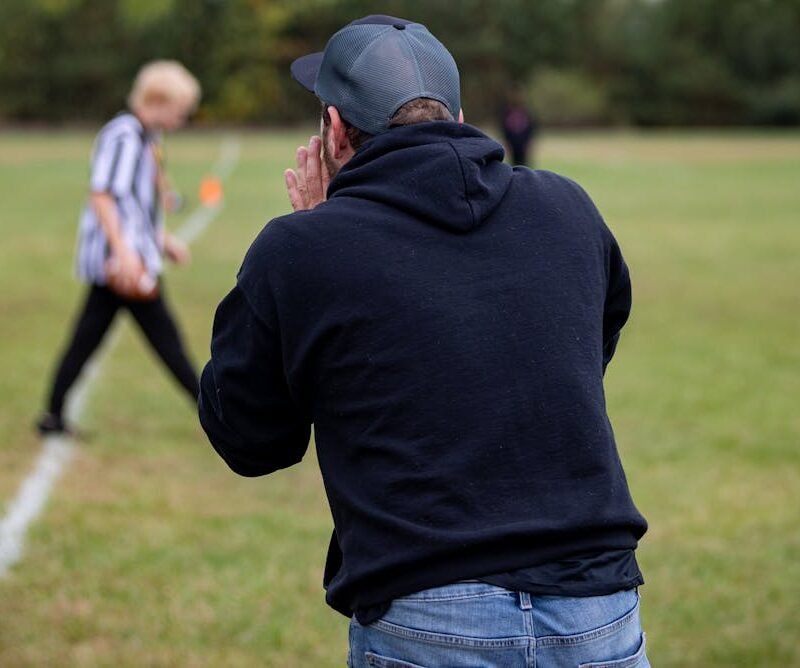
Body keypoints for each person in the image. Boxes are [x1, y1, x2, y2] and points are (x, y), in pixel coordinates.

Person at [199, 15, 649, 668]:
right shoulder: (567, 206)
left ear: (332, 129)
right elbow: (588, 348)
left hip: (427, 612)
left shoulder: (300, 248)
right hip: (599, 610)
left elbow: (250, 439)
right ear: (459, 116)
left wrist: (315, 239)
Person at [36, 60, 201, 436]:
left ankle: (52, 415)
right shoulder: (124, 136)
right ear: (159, 100)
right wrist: (126, 254)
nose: (183, 116)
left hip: (129, 256)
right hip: (121, 264)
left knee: (88, 339)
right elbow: (104, 196)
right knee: (167, 341)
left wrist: (162, 240)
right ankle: (215, 412)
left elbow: (134, 205)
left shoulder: (147, 139)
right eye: (180, 108)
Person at [501, 86, 538, 166]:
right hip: (513, 144)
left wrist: (530, 143)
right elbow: (504, 129)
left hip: (523, 145)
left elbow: (531, 128)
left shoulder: (526, 112)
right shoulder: (507, 112)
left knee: (525, 165)